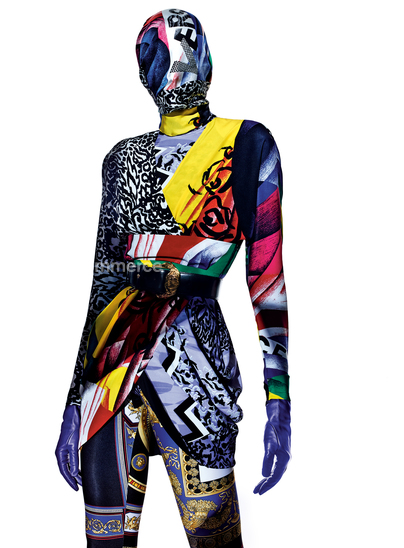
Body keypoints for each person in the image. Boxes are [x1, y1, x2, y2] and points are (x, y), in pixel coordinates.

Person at [55, 8, 291, 548]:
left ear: (208, 59)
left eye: (188, 48)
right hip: (109, 388)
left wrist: (279, 400)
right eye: (162, 54)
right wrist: (73, 404)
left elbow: (267, 281)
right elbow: (104, 285)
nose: (178, 65)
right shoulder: (121, 160)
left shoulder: (247, 145)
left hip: (198, 382)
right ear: (143, 72)